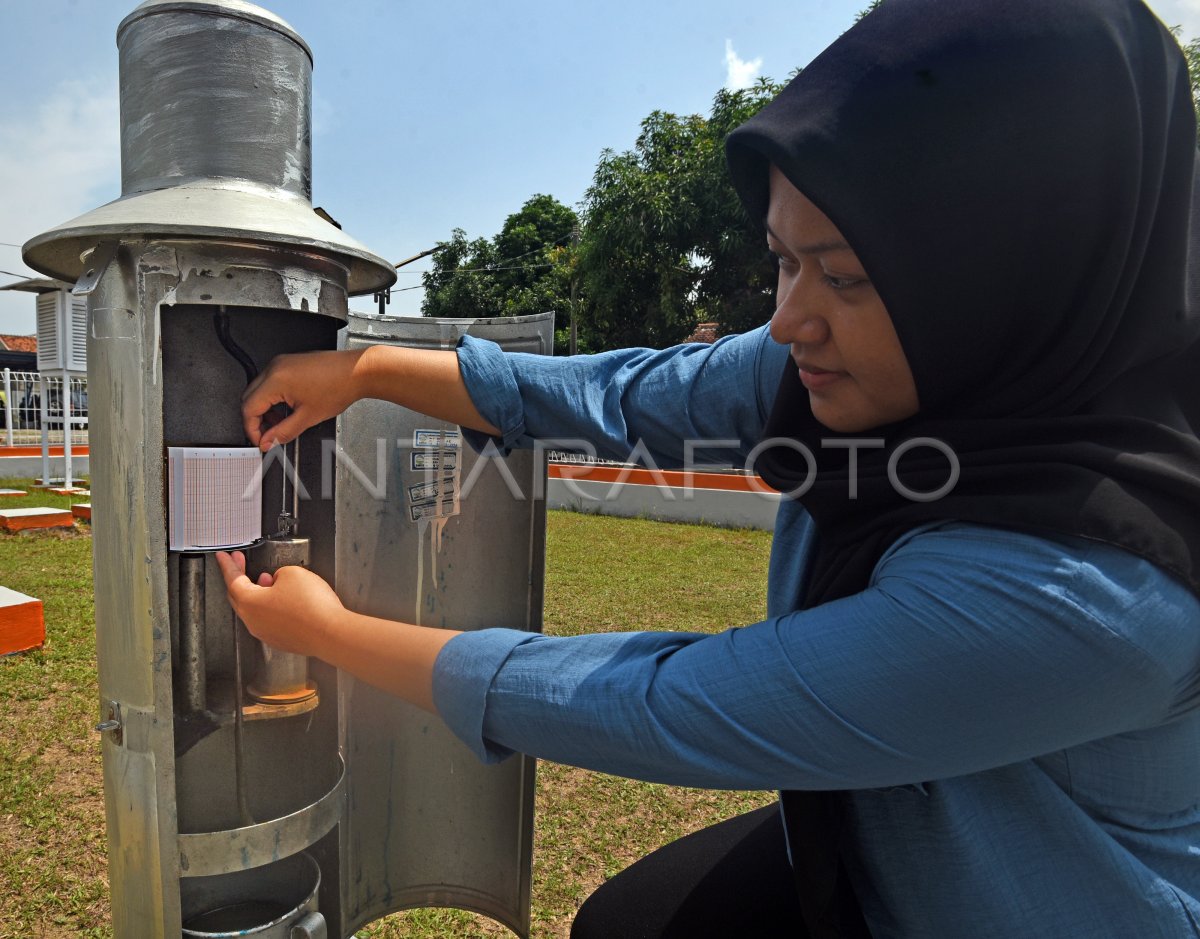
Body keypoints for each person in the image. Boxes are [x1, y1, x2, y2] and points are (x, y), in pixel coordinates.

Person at [218, 0, 1200, 935]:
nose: (791, 318)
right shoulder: (854, 364)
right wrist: (371, 370)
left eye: (849, 275)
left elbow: (674, 703)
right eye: (783, 259)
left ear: (1014, 272)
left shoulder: (1090, 585)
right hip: (874, 831)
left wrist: (331, 633)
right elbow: (627, 398)